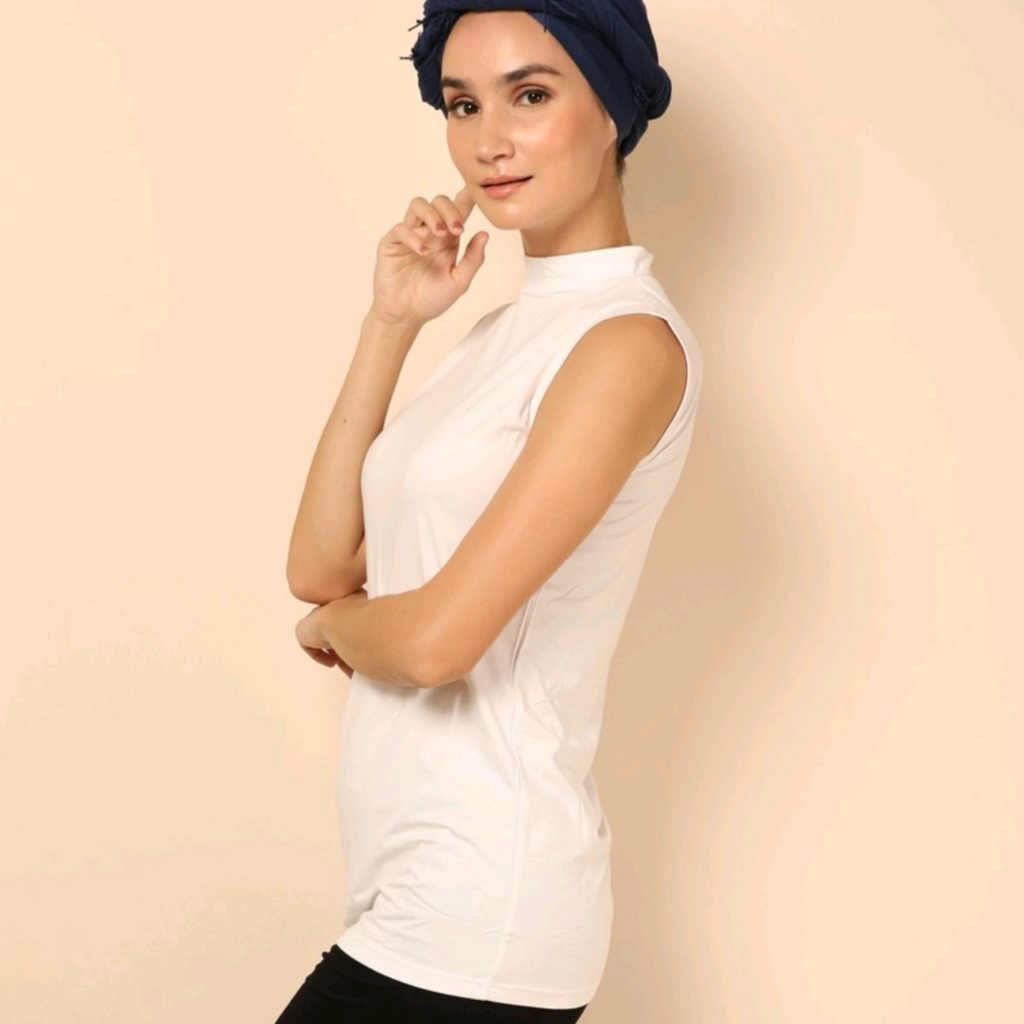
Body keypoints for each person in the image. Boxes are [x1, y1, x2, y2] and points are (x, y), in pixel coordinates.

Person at [275, 1, 703, 1020]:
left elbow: (434, 644)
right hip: (416, 889)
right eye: (462, 104)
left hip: (484, 903)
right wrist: (391, 322)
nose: (488, 140)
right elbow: (320, 565)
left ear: (614, 107)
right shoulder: (501, 336)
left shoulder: (623, 345)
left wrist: (334, 629)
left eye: (530, 95)